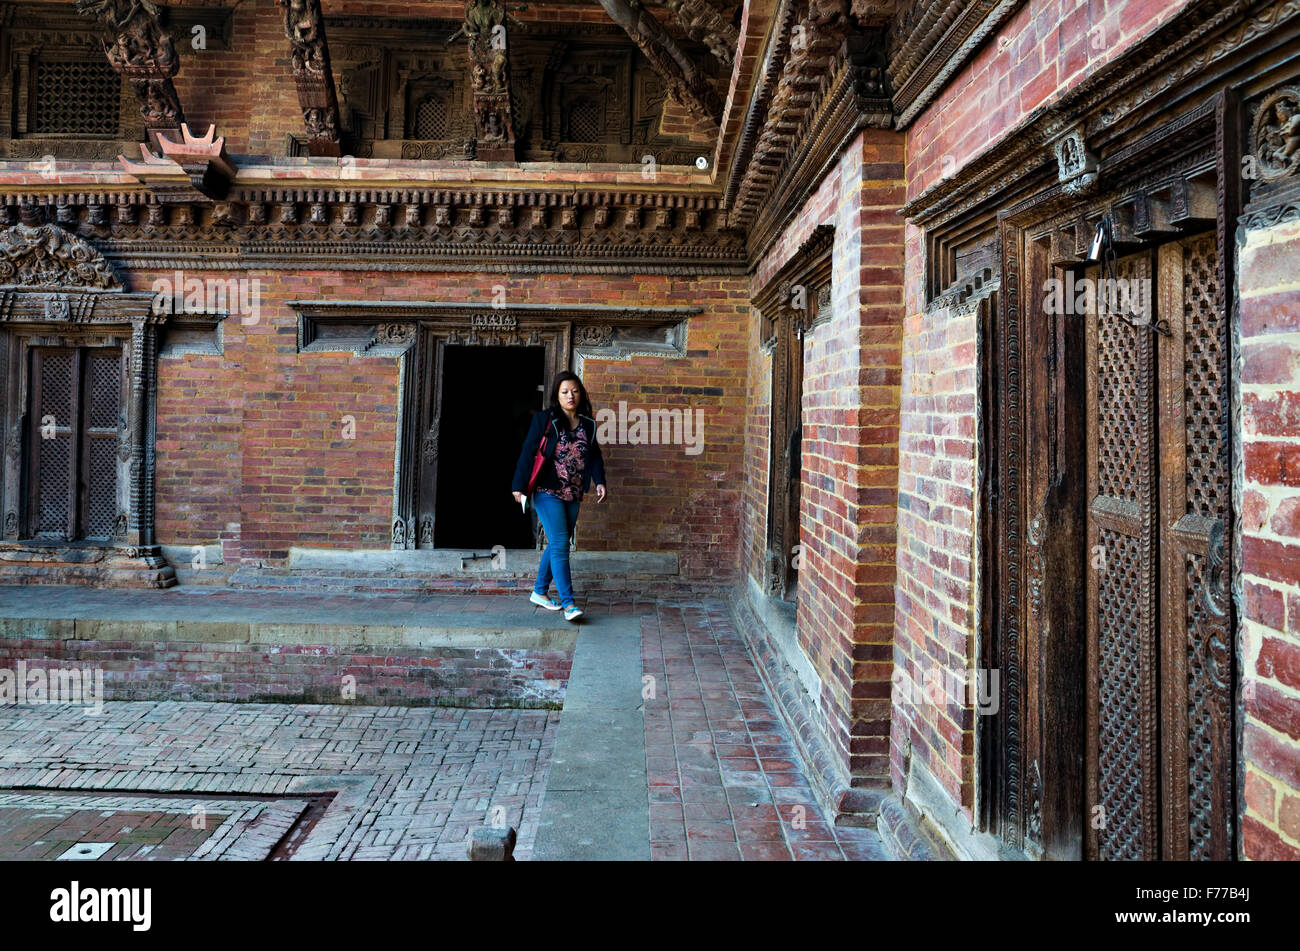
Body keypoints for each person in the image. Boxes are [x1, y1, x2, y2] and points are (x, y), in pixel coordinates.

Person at [512, 371, 607, 621]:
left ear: (581, 394)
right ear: (557, 395)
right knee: (562, 543)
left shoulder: (589, 424)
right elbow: (528, 451)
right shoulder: (546, 420)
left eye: (574, 391)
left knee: (556, 542)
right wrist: (518, 486)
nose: (570, 396)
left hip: (574, 493)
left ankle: (539, 592)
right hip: (547, 491)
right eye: (565, 391)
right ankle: (569, 603)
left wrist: (600, 481)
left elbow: (594, 454)